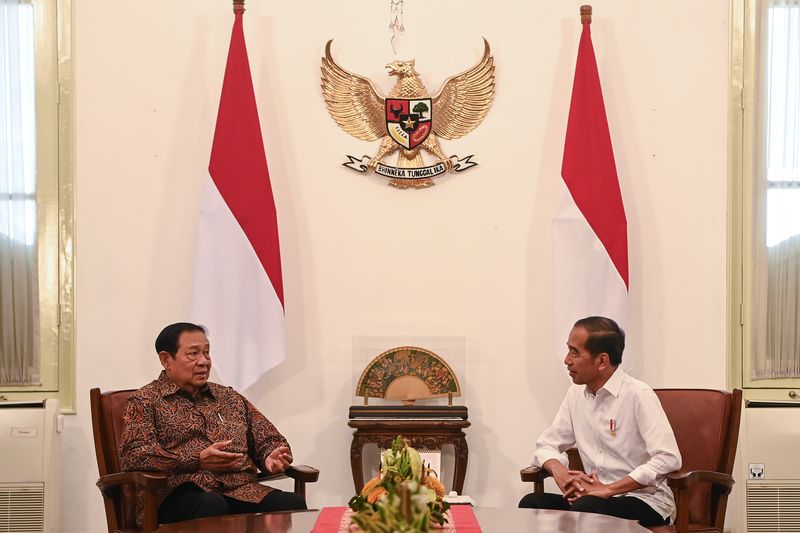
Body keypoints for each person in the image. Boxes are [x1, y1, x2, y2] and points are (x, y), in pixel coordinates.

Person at [120, 322, 306, 526]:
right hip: (175, 494)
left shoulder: (228, 397)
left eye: (207, 353)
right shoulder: (145, 401)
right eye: (193, 354)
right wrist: (196, 460)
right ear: (166, 359)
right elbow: (135, 454)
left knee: (290, 503)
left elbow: (268, 437)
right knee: (212, 505)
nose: (203, 361)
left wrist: (270, 454)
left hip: (239, 490)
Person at [519, 316, 681, 528]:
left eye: (575, 352)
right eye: (568, 350)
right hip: (592, 499)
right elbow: (547, 445)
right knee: (532, 504)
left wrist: (609, 489)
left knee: (587, 509)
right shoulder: (575, 394)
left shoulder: (638, 395)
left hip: (644, 500)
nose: (567, 360)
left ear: (602, 361)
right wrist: (562, 474)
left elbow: (669, 458)